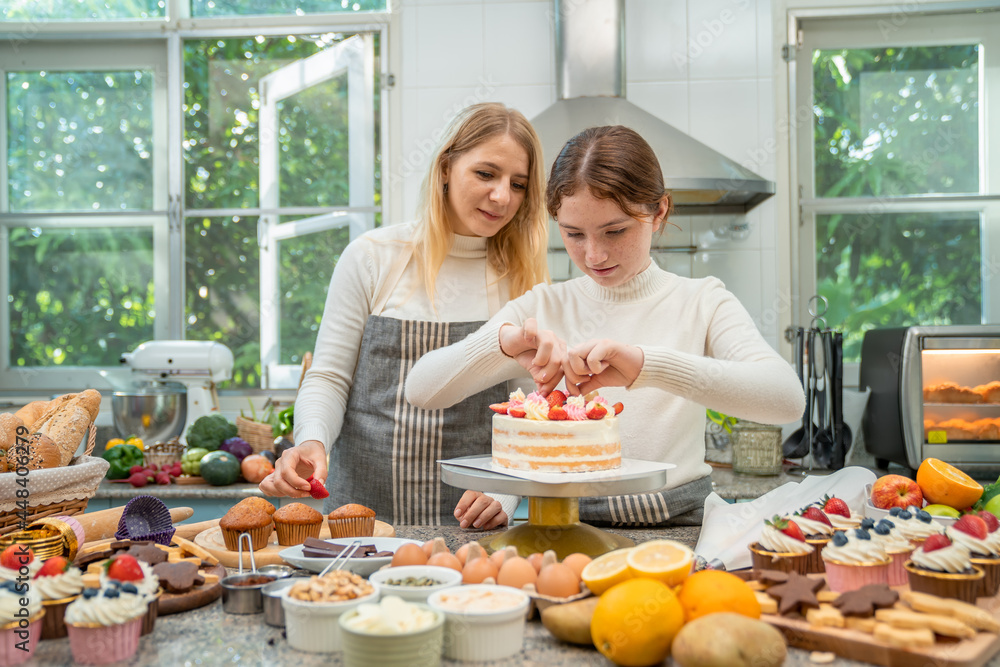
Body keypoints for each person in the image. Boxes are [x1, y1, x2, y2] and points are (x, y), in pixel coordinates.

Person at [405, 125, 805, 526]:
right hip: (561, 527)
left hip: (680, 530)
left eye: (615, 231)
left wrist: (648, 366)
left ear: (659, 212)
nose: (594, 254)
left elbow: (785, 399)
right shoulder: (542, 306)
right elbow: (421, 389)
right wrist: (500, 345)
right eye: (573, 234)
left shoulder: (702, 300)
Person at [260, 103, 550, 529]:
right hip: (359, 521)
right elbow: (329, 377)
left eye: (519, 184)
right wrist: (311, 441)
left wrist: (505, 490)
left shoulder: (524, 277)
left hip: (470, 527)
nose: (502, 196)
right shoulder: (373, 257)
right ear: (446, 168)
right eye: (486, 174)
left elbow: (533, 407)